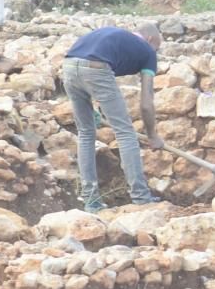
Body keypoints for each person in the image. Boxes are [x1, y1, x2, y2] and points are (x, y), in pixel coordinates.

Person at [62, 23, 165, 212]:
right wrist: (152, 135)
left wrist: (90, 107)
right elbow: (146, 104)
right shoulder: (148, 52)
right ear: (150, 39)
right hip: (97, 68)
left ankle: (91, 201)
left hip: (68, 66)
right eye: (157, 48)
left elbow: (82, 65)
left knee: (85, 132)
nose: (155, 53)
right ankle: (141, 198)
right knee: (125, 133)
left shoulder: (114, 35)